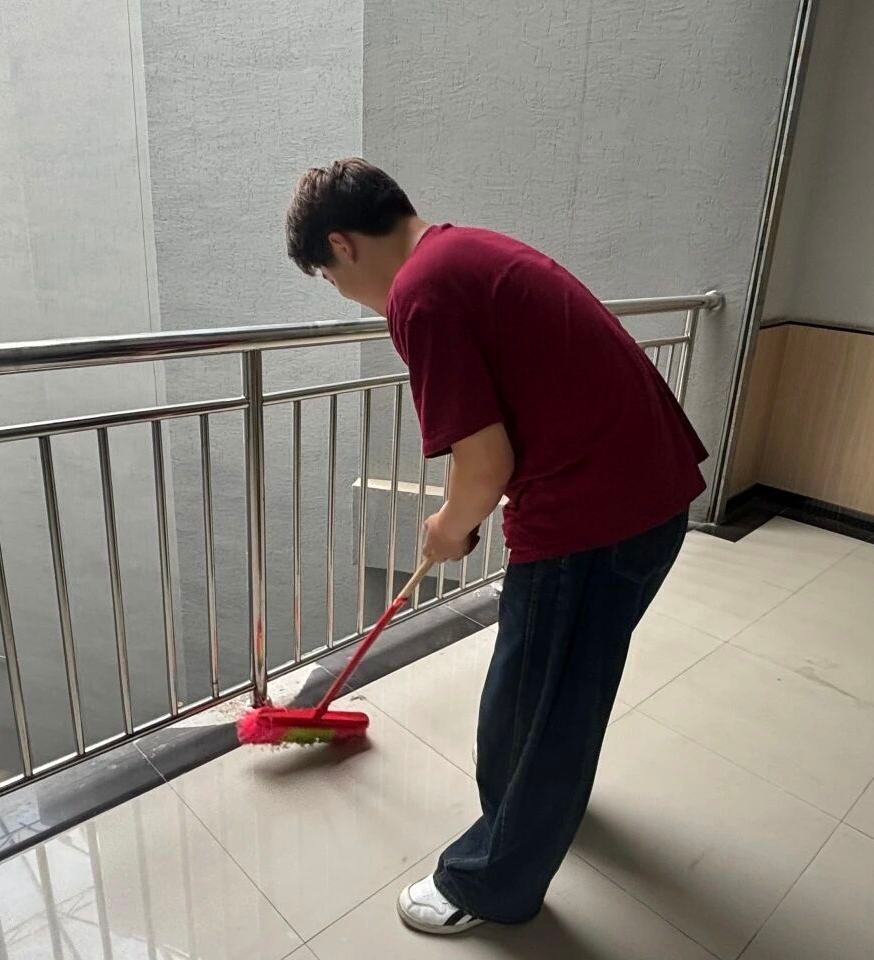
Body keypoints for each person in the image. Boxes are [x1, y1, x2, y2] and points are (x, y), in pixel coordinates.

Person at [285, 158, 707, 935]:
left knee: (532, 711)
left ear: (342, 245)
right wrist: (463, 513)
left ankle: (492, 884)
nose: (342, 291)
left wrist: (447, 526)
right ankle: (538, 810)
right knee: (554, 696)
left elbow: (485, 462)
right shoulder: (463, 251)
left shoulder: (421, 293)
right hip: (646, 497)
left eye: (329, 275)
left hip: (594, 519)